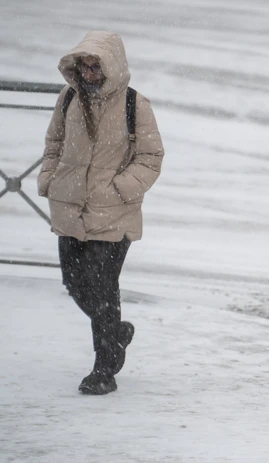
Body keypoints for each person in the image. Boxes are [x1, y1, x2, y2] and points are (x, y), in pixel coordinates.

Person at [37, 31, 164, 395]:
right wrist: (50, 177)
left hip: (113, 215)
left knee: (102, 287)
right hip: (70, 209)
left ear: (112, 66)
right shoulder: (68, 99)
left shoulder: (134, 105)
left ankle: (103, 369)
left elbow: (151, 157)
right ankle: (116, 332)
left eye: (97, 66)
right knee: (75, 284)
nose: (90, 73)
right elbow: (54, 143)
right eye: (85, 66)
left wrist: (120, 189)